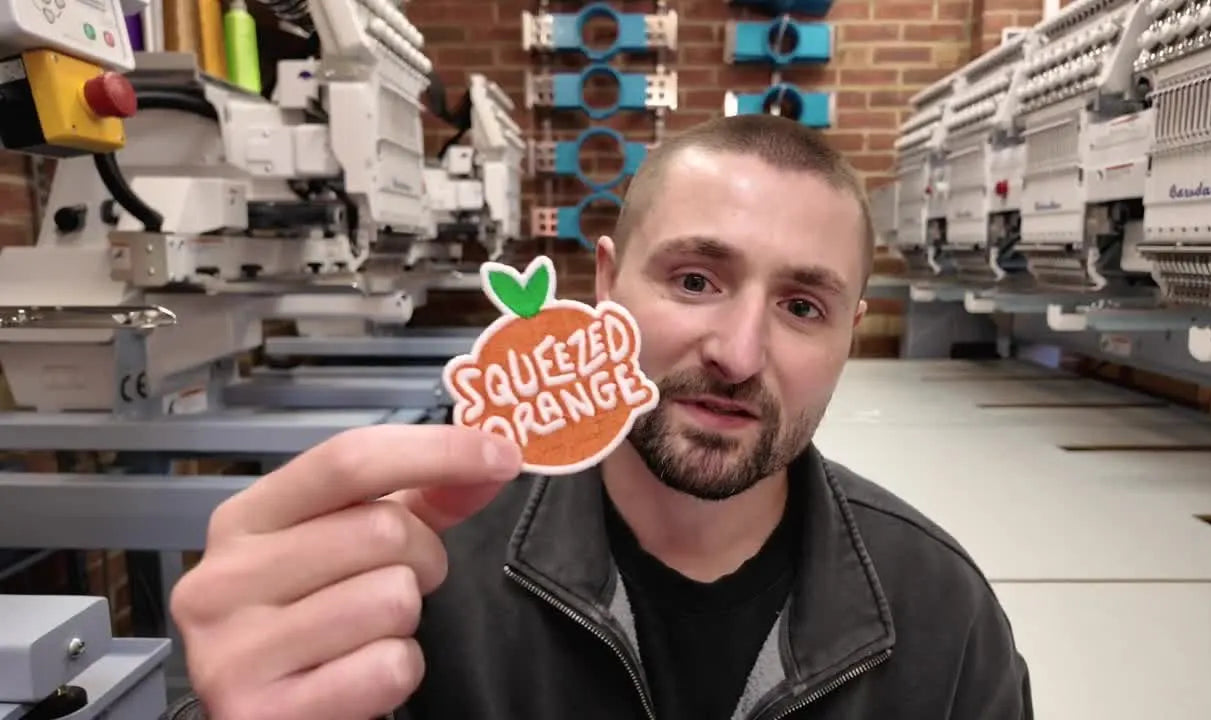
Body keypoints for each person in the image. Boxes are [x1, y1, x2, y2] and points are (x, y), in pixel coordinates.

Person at [165, 114, 1033, 720]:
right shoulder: (415, 584)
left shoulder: (939, 616)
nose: (737, 352)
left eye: (803, 306)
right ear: (606, 285)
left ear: (853, 329)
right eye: (695, 280)